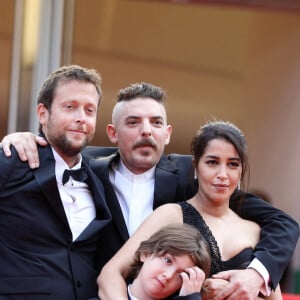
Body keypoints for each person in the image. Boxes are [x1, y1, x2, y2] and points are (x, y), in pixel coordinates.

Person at [1, 83, 299, 299]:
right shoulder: (87, 167)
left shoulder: (196, 172)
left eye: (156, 123)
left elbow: (283, 224)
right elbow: (61, 150)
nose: (147, 130)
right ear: (113, 134)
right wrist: (24, 137)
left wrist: (256, 272)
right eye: (133, 122)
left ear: (167, 134)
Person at [97, 120, 288, 300]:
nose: (222, 174)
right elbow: (110, 275)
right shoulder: (171, 214)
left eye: (232, 164)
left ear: (241, 171)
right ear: (196, 166)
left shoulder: (254, 230)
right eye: (212, 162)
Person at [0, 65, 111, 299]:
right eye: (70, 107)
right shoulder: (12, 160)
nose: (81, 118)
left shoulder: (99, 178)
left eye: (89, 110)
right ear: (43, 113)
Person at [127, 223, 211, 300]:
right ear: (146, 253)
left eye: (181, 275)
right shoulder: (114, 289)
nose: (168, 275)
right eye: (168, 260)